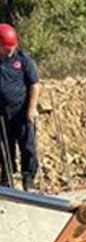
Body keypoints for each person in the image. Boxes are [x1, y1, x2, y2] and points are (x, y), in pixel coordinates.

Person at [0, 24, 39, 190]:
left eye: (11, 47)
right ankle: (7, 178)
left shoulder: (23, 60)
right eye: (5, 48)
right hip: (1, 114)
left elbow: (34, 84)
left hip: (21, 111)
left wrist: (32, 108)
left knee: (28, 146)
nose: (9, 51)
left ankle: (28, 178)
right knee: (4, 147)